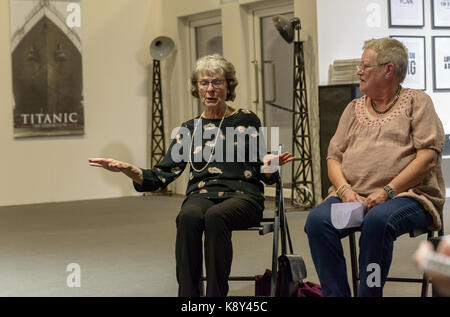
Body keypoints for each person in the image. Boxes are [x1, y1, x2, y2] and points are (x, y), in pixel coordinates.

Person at [89, 54, 294, 297]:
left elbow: (264, 173)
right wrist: (127, 169)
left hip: (243, 195)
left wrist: (271, 165)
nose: (210, 89)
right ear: (196, 88)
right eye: (204, 83)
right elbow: (161, 175)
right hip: (201, 194)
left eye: (217, 82)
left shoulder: (246, 119)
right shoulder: (188, 129)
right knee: (187, 216)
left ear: (228, 86)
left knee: (216, 217)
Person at [304, 38, 445, 297]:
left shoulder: (418, 102)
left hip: (408, 196)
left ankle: (369, 294)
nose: (359, 72)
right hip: (354, 196)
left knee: (377, 221)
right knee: (317, 221)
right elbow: (333, 158)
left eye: (364, 66)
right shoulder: (352, 109)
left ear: (388, 70)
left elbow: (427, 158)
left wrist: (388, 191)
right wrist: (345, 191)